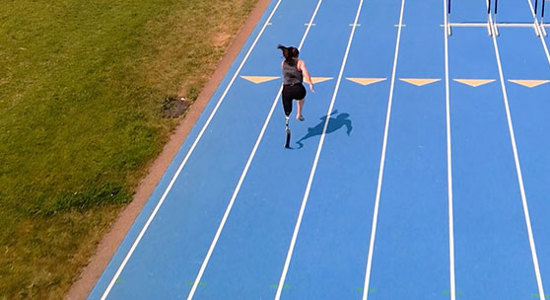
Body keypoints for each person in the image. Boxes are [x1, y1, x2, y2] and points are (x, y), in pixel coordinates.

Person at [277, 45, 314, 123]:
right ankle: (299, 114)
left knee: (287, 104)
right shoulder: (300, 63)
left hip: (286, 90)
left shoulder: (283, 63)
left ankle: (287, 116)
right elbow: (305, 73)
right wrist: (310, 83)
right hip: (298, 89)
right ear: (297, 55)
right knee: (301, 98)